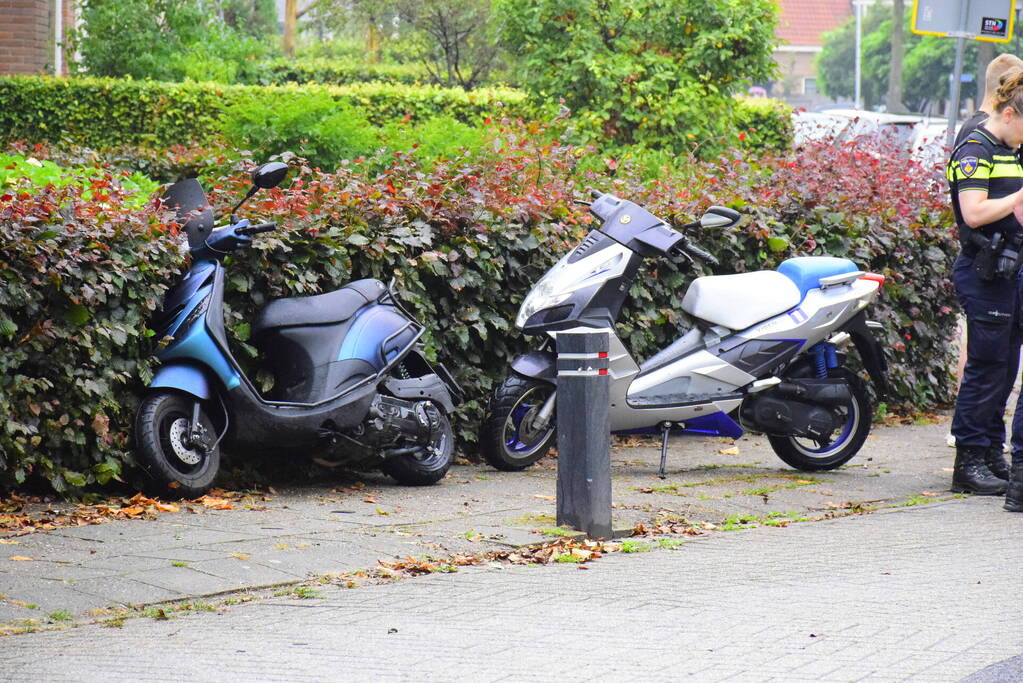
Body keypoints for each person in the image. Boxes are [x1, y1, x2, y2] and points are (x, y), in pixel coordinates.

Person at [947, 66, 1023, 499]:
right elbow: (974, 213)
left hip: (1009, 270)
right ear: (1010, 114)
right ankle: (969, 460)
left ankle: (991, 452)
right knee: (985, 367)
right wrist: (1017, 198)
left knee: (1004, 367)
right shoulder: (976, 147)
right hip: (983, 268)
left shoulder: (1010, 149)